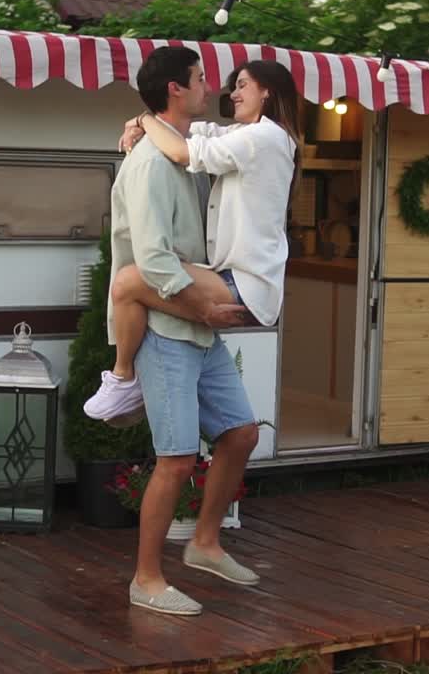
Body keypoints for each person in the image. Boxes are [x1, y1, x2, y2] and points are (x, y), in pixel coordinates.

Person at [107, 46, 263, 616]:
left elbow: (215, 133)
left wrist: (142, 118)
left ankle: (204, 543)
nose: (209, 87)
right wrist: (204, 308)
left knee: (241, 433)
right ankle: (145, 580)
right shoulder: (149, 163)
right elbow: (152, 261)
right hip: (168, 327)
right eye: (199, 79)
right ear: (176, 87)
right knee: (174, 459)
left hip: (199, 327)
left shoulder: (188, 147)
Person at [84, 60, 301, 422]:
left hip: (242, 283)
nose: (232, 92)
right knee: (239, 434)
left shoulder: (266, 138)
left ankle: (123, 377)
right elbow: (194, 132)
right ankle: (126, 379)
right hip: (237, 279)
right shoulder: (248, 136)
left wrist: (144, 121)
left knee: (125, 282)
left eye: (243, 85)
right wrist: (150, 122)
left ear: (268, 91)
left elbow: (185, 152)